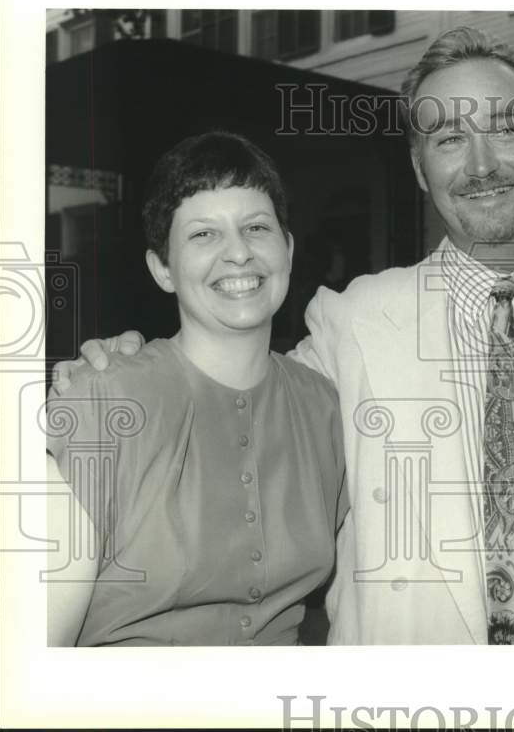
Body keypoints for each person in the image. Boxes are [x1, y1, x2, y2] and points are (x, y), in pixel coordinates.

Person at [51, 27, 514, 644]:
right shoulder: (352, 321)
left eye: (505, 128)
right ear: (421, 171)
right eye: (449, 139)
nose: (481, 165)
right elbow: (238, 395)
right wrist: (117, 371)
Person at [46, 132, 349, 646]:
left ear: (289, 249)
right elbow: (30, 659)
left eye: (256, 227)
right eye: (203, 235)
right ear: (162, 269)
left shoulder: (322, 406)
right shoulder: (103, 399)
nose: (238, 253)